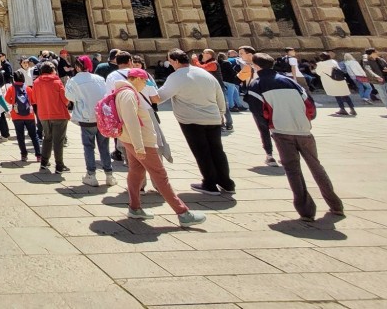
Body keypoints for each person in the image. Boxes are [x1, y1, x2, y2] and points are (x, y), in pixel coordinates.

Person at [244, 53, 344, 221]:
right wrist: (304, 120)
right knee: (317, 167)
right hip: (304, 130)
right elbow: (309, 104)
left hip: (281, 131)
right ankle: (336, 205)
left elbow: (258, 111)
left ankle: (306, 210)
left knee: (292, 170)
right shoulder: (290, 81)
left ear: (255, 66)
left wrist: (271, 124)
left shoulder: (257, 84)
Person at [115, 69, 207, 227]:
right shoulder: (129, 94)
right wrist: (139, 147)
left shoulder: (123, 92)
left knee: (136, 172)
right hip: (141, 142)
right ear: (136, 78)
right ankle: (183, 213)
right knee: (160, 175)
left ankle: (135, 208)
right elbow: (132, 121)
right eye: (145, 81)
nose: (146, 84)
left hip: (131, 140)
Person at [158, 49, 234, 195]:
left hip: (192, 120)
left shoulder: (177, 76)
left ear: (174, 61)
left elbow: (161, 96)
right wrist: (220, 114)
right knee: (217, 150)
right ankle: (227, 183)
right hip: (213, 118)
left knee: (202, 151)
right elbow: (219, 94)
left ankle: (210, 184)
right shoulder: (203, 72)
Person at [65, 54, 115, 187]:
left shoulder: (73, 81)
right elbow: (106, 94)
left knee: (89, 146)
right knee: (104, 146)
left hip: (86, 117)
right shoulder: (99, 78)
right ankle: (109, 175)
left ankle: (91, 175)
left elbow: (69, 96)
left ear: (76, 66)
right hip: (101, 116)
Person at [239, 45, 279, 166]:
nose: (240, 55)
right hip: (267, 99)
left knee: (265, 128)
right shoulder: (249, 67)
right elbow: (239, 79)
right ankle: (271, 154)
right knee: (272, 128)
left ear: (250, 55)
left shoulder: (253, 67)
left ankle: (271, 154)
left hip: (259, 100)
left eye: (242, 53)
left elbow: (238, 79)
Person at [31, 62, 70, 175]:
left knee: (47, 138)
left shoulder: (36, 82)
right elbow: (65, 99)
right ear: (52, 70)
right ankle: (59, 165)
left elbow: (34, 99)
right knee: (58, 141)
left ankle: (44, 162)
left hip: (43, 115)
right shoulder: (57, 82)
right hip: (58, 114)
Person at [4, 71, 40, 162]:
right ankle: (38, 155)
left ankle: (24, 155)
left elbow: (7, 99)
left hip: (16, 115)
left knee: (20, 136)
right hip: (29, 115)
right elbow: (34, 100)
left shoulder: (11, 88)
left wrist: (13, 101)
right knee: (34, 136)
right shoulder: (28, 88)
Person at [314, 52, 356, 116]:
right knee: (345, 94)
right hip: (340, 80)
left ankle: (342, 109)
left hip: (331, 81)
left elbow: (318, 73)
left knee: (337, 95)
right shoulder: (333, 61)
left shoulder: (320, 64)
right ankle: (352, 109)